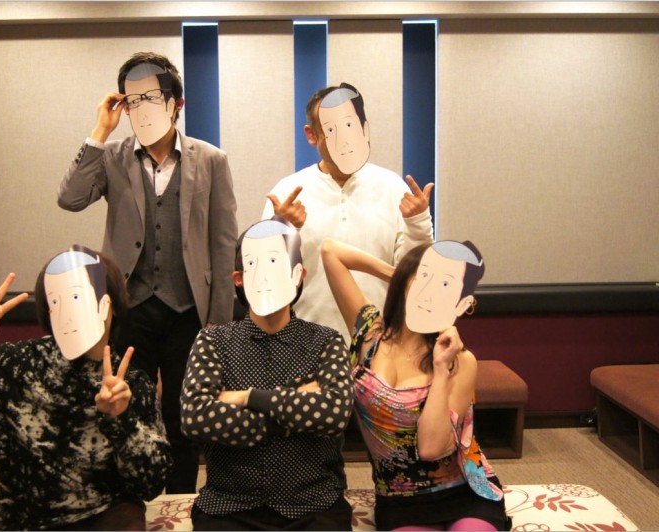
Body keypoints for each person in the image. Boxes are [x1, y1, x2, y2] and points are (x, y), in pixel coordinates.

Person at [0, 245, 171, 530]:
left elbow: (150, 484)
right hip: (24, 522)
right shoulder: (8, 369)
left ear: (106, 306)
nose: (68, 315)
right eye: (56, 302)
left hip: (108, 517)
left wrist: (121, 420)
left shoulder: (131, 385)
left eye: (77, 298)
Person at [57, 52, 238, 492]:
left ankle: (180, 499)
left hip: (187, 309)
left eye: (151, 99)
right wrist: (100, 131)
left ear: (177, 104)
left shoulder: (210, 159)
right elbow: (70, 198)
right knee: (126, 407)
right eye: (133, 100)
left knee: (183, 414)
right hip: (129, 306)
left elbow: (222, 242)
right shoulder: (112, 157)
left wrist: (219, 323)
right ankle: (132, 499)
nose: (142, 109)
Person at [321, 238, 509, 531]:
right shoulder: (369, 333)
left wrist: (440, 368)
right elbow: (330, 251)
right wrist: (399, 275)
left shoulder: (459, 361)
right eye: (424, 276)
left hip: (465, 490)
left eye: (445, 286)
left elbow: (432, 448)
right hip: (400, 500)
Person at [180, 219, 355, 530]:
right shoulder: (212, 342)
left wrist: (247, 397)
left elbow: (334, 413)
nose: (264, 276)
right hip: (228, 505)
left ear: (298, 274)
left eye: (275, 263)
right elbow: (195, 417)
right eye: (253, 265)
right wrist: (292, 409)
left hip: (313, 503)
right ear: (239, 279)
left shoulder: (325, 341)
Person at [262, 83, 434, 342]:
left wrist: (417, 222)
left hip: (379, 342)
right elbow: (267, 280)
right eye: (331, 130)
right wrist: (284, 230)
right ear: (312, 135)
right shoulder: (286, 193)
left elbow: (412, 274)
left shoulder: (393, 187)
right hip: (305, 343)